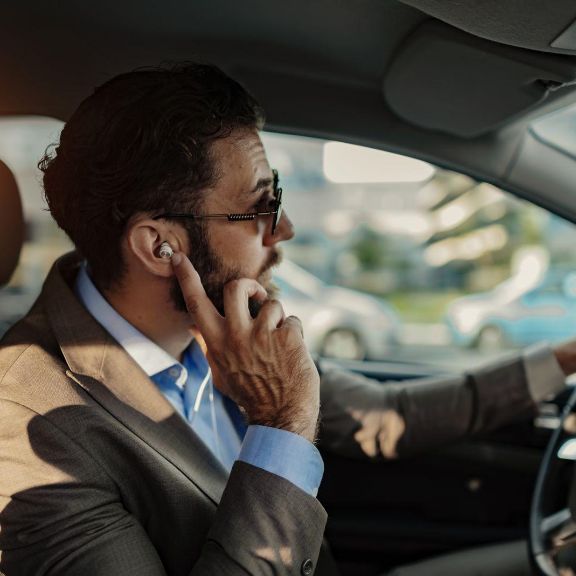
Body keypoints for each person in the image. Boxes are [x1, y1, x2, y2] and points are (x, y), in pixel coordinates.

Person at [0, 62, 573, 576]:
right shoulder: (29, 434)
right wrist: (282, 424)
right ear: (161, 247)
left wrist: (567, 358)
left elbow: (388, 415)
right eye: (261, 206)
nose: (285, 229)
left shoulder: (219, 326)